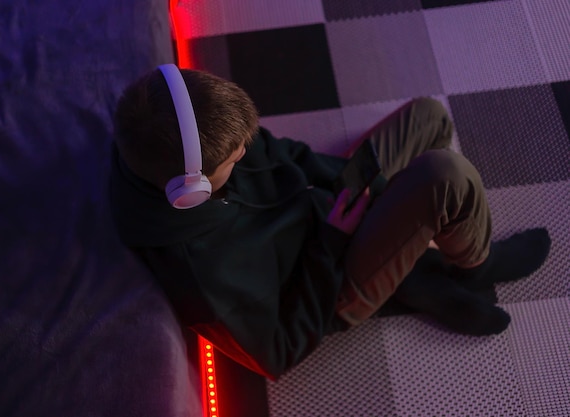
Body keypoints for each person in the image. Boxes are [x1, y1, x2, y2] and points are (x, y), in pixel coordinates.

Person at [109, 66, 551, 380]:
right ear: (191, 190)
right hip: (331, 283)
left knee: (429, 116)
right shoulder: (201, 273)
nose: (246, 151)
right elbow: (277, 352)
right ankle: (474, 269)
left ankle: (413, 274)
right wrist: (334, 242)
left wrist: (355, 186)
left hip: (327, 207)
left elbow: (284, 156)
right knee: (446, 176)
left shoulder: (183, 142)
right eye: (234, 157)